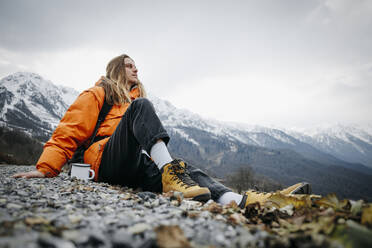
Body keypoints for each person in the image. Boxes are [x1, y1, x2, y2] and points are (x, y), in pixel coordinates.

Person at [12, 54, 311, 208]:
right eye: (129, 66)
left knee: (189, 171)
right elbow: (69, 131)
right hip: (101, 162)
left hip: (133, 164)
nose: (135, 69)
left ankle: (244, 200)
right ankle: (171, 176)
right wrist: (46, 168)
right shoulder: (98, 93)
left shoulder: (135, 98)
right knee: (142, 110)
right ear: (116, 69)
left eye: (136, 66)